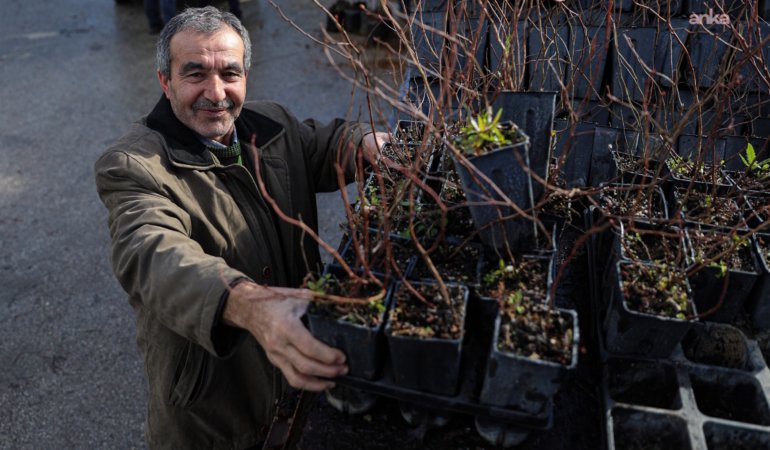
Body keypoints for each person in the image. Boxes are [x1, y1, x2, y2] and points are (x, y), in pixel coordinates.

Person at [94, 6, 387, 448]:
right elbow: (152, 254)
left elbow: (323, 145)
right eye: (195, 74)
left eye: (230, 73)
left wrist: (365, 143)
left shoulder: (270, 125)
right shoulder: (134, 166)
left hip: (297, 384)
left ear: (246, 75)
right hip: (216, 418)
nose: (216, 92)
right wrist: (246, 303)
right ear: (165, 81)